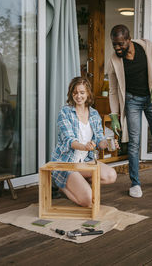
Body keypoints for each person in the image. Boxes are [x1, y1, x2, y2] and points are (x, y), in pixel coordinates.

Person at [107, 24, 152, 198]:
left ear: (129, 40)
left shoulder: (147, 47)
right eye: (114, 44)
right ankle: (135, 183)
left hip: (150, 99)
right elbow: (113, 90)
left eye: (120, 44)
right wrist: (114, 115)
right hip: (132, 101)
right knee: (134, 142)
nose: (117, 48)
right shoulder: (114, 60)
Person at [51, 77, 118, 207]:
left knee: (111, 175)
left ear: (88, 93)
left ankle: (76, 182)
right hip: (66, 162)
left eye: (82, 92)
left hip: (85, 162)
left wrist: (110, 145)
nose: (78, 96)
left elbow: (100, 140)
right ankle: (60, 185)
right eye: (75, 92)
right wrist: (84, 146)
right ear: (71, 94)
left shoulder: (94, 114)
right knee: (89, 201)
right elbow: (69, 140)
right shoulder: (65, 112)